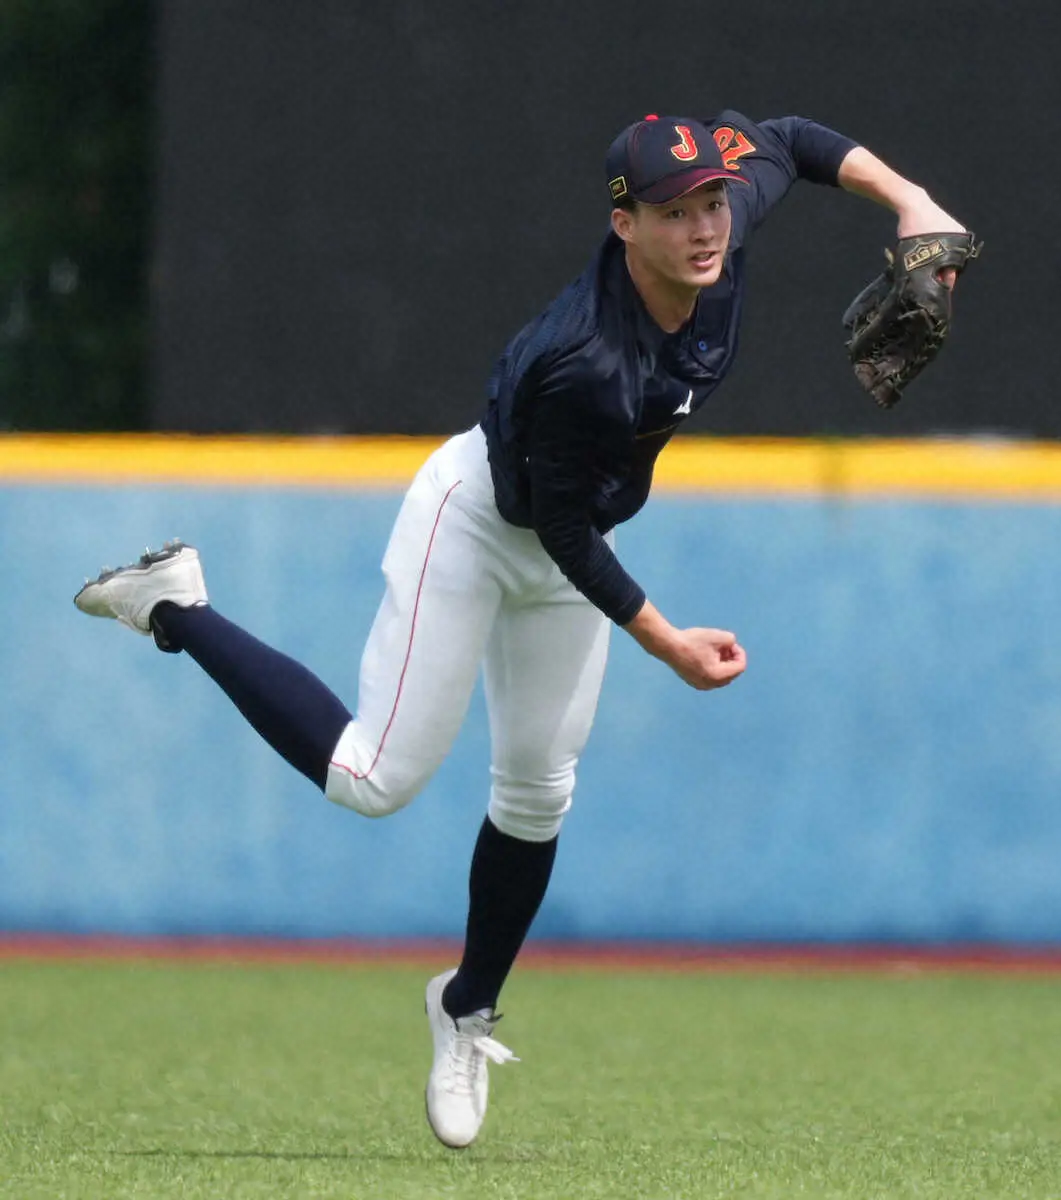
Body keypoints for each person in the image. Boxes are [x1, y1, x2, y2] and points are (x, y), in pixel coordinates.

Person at [75, 108, 966, 1148]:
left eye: (713, 202)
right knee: (372, 778)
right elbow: (560, 532)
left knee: (539, 792)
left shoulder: (722, 231)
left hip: (571, 536)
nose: (705, 227)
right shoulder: (583, 358)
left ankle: (464, 1008)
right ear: (623, 224)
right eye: (675, 212)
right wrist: (665, 640)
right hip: (484, 525)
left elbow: (788, 138)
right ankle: (174, 602)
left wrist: (908, 202)